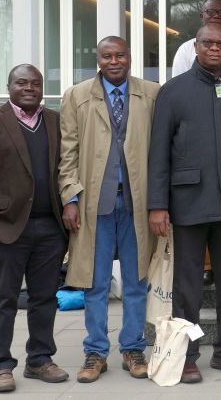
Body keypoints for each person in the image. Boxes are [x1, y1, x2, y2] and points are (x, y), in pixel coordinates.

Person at [148, 24, 221, 383]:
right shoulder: (173, 92)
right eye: (208, 43)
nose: (215, 49)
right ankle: (187, 355)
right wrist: (158, 204)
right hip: (188, 202)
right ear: (196, 47)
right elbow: (158, 154)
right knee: (188, 287)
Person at [59, 36, 159, 382]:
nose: (114, 61)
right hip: (94, 203)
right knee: (94, 282)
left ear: (130, 58)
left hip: (137, 202)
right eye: (107, 56)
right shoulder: (77, 95)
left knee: (137, 281)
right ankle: (95, 352)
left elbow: (160, 153)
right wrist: (70, 197)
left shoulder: (151, 93)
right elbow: (67, 152)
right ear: (98, 60)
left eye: (120, 55)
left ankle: (133, 349)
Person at [0, 65, 68, 393]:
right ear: (8, 86)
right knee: (3, 299)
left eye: (35, 83)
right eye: (22, 82)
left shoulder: (54, 121)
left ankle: (39, 359)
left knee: (44, 297)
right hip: (6, 226)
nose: (29, 88)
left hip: (49, 226)